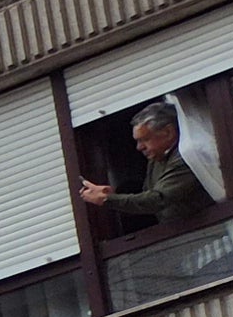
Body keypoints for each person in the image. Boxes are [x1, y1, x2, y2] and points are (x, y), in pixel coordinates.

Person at [78, 98, 211, 232]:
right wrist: (113, 196)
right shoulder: (156, 158)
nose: (139, 147)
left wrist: (108, 199)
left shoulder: (185, 156)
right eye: (138, 141)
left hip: (207, 229)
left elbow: (156, 200)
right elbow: (147, 196)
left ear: (168, 132)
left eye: (145, 139)